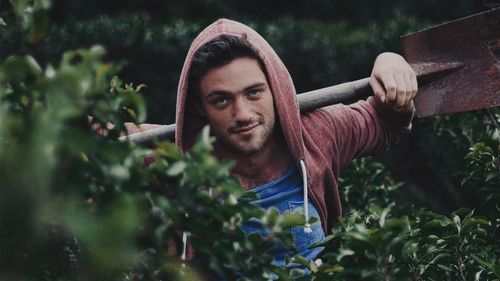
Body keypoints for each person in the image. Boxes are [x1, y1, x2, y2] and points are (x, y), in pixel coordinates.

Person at [129, 18, 416, 270]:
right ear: (199, 106)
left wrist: (390, 62)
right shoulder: (173, 162)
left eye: (253, 92)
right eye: (222, 100)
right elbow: (100, 148)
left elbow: (387, 121)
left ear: (274, 87)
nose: (242, 115)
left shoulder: (318, 134)